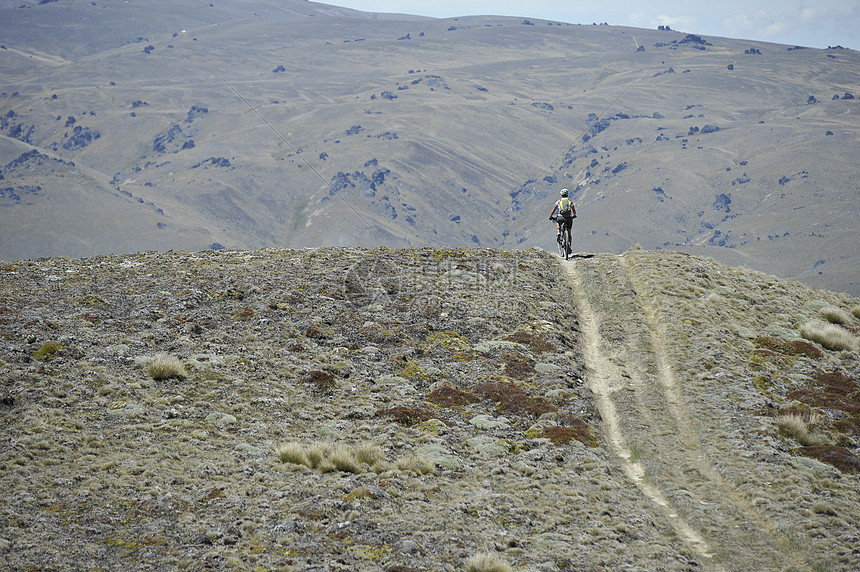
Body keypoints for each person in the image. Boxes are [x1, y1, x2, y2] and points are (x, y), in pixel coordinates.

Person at [549, 188, 576, 253]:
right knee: (569, 233)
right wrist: (574, 215)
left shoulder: (558, 202)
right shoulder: (570, 202)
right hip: (568, 218)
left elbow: (553, 210)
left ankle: (558, 232)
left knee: (557, 222)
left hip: (561, 218)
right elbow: (574, 211)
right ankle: (569, 247)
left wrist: (551, 216)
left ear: (561, 194)